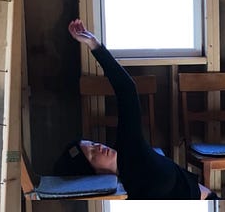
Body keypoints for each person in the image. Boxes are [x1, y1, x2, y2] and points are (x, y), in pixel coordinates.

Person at [61, 19, 216, 200]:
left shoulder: (129, 147)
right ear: (91, 173)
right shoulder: (115, 193)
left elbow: (127, 89)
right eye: (92, 154)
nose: (100, 148)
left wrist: (94, 45)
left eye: (94, 145)